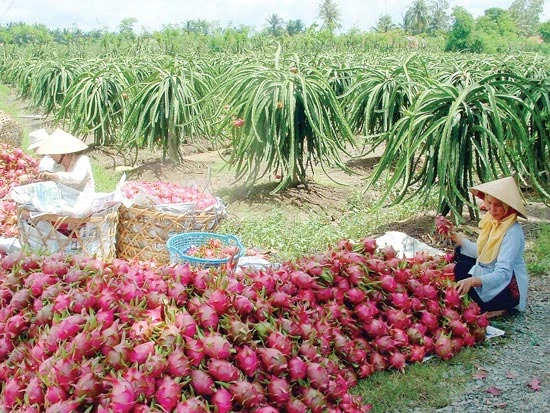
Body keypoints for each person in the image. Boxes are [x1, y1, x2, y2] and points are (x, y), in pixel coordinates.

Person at [447, 176, 529, 316]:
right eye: (489, 203)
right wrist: (457, 238)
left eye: (498, 205)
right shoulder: (492, 221)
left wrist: (473, 280)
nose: (492, 209)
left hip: (508, 288)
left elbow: (503, 274)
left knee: (461, 269)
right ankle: (484, 301)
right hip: (492, 273)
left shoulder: (512, 232)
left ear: (508, 207)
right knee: (460, 253)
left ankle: (501, 308)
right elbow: (483, 253)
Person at [35, 128, 95, 193]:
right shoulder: (57, 165)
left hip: (85, 199)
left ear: (64, 153)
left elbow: (77, 178)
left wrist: (54, 176)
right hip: (67, 199)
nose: (51, 155)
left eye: (53, 152)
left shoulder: (82, 160)